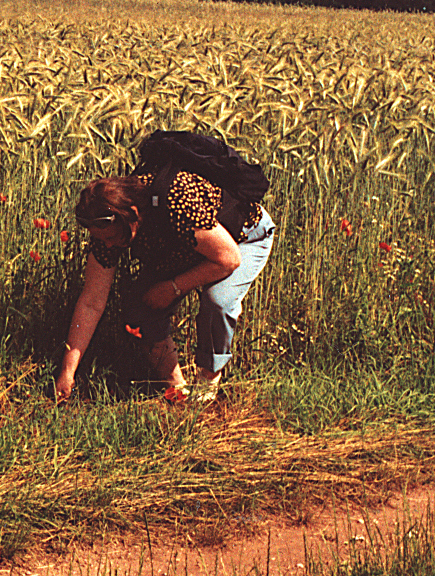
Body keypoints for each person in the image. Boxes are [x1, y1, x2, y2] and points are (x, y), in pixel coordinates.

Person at [54, 168, 275, 403]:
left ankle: (207, 389)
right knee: (141, 309)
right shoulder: (107, 228)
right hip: (193, 246)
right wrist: (68, 371)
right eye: (101, 239)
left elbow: (228, 259)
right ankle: (177, 392)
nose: (107, 246)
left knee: (217, 300)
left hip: (243, 236)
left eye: (111, 238)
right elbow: (91, 302)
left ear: (133, 215)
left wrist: (173, 287)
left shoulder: (175, 200)